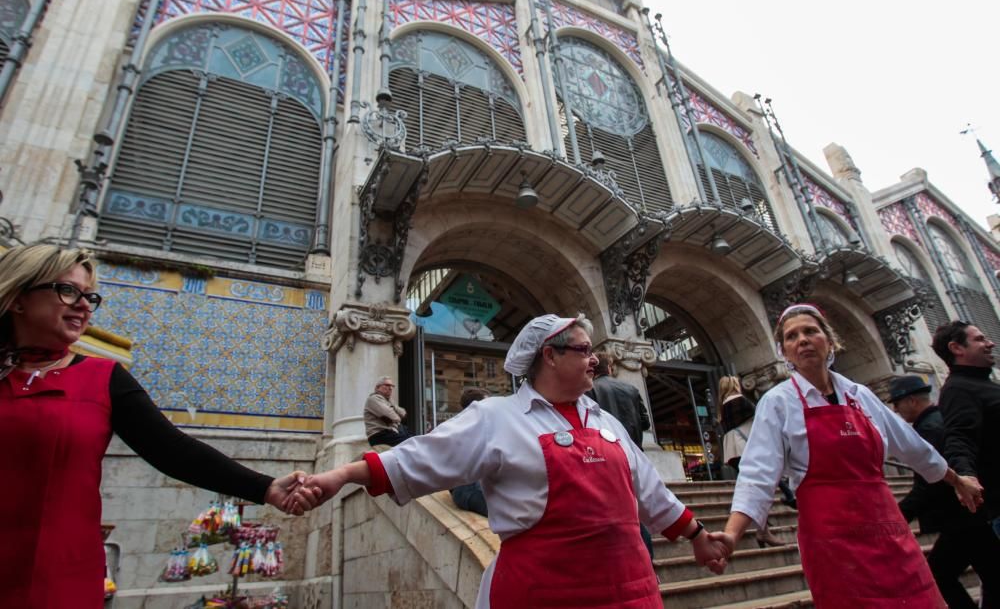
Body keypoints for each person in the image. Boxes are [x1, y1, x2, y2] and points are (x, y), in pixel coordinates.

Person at [291, 313, 730, 608]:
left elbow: (650, 492)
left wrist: (696, 535)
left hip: (633, 593)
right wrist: (340, 476)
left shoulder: (605, 423)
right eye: (583, 349)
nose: (594, 358)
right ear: (550, 356)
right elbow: (417, 457)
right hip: (543, 594)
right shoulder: (497, 416)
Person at [0, 244, 319, 609]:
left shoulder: (102, 377)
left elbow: (173, 450)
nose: (84, 305)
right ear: (18, 299)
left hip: (56, 577)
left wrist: (266, 488)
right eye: (67, 290)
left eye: (90, 296)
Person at [717, 303, 983, 607]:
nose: (802, 339)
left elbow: (913, 447)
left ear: (829, 341)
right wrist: (731, 536)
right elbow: (757, 475)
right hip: (833, 544)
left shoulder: (861, 394)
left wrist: (957, 480)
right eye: (792, 336)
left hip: (888, 531)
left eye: (810, 331)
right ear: (784, 352)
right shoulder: (777, 403)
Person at [890, 375, 1000, 609]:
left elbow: (932, 481)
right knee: (991, 575)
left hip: (961, 519)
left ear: (910, 401)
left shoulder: (928, 429)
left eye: (897, 405)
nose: (897, 412)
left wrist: (898, 515)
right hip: (970, 516)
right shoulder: (941, 421)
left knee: (940, 575)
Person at [933, 321, 1000, 541]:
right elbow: (959, 435)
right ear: (957, 348)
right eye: (980, 339)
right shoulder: (958, 389)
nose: (990, 343)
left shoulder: (985, 384)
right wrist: (965, 475)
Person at [586, 351, 654, 557]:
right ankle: (647, 559)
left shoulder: (588, 391)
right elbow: (645, 423)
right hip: (632, 456)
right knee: (635, 510)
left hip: (601, 458)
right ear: (610, 367)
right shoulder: (630, 389)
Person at [717, 375, 782, 548]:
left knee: (752, 486)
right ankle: (762, 529)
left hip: (732, 449)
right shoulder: (740, 401)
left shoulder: (722, 406)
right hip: (745, 447)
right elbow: (763, 416)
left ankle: (762, 526)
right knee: (758, 486)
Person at [449, 387, 490, 517]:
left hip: (477, 486)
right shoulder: (462, 429)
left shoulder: (482, 426)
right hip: (469, 488)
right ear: (475, 408)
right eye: (488, 404)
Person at [364, 375, 412, 447]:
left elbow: (404, 414)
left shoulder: (389, 400)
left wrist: (392, 406)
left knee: (414, 439)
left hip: (391, 433)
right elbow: (394, 417)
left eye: (392, 386)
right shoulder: (373, 399)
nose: (390, 388)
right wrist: (396, 416)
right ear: (378, 387)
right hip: (379, 434)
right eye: (387, 385)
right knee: (410, 443)